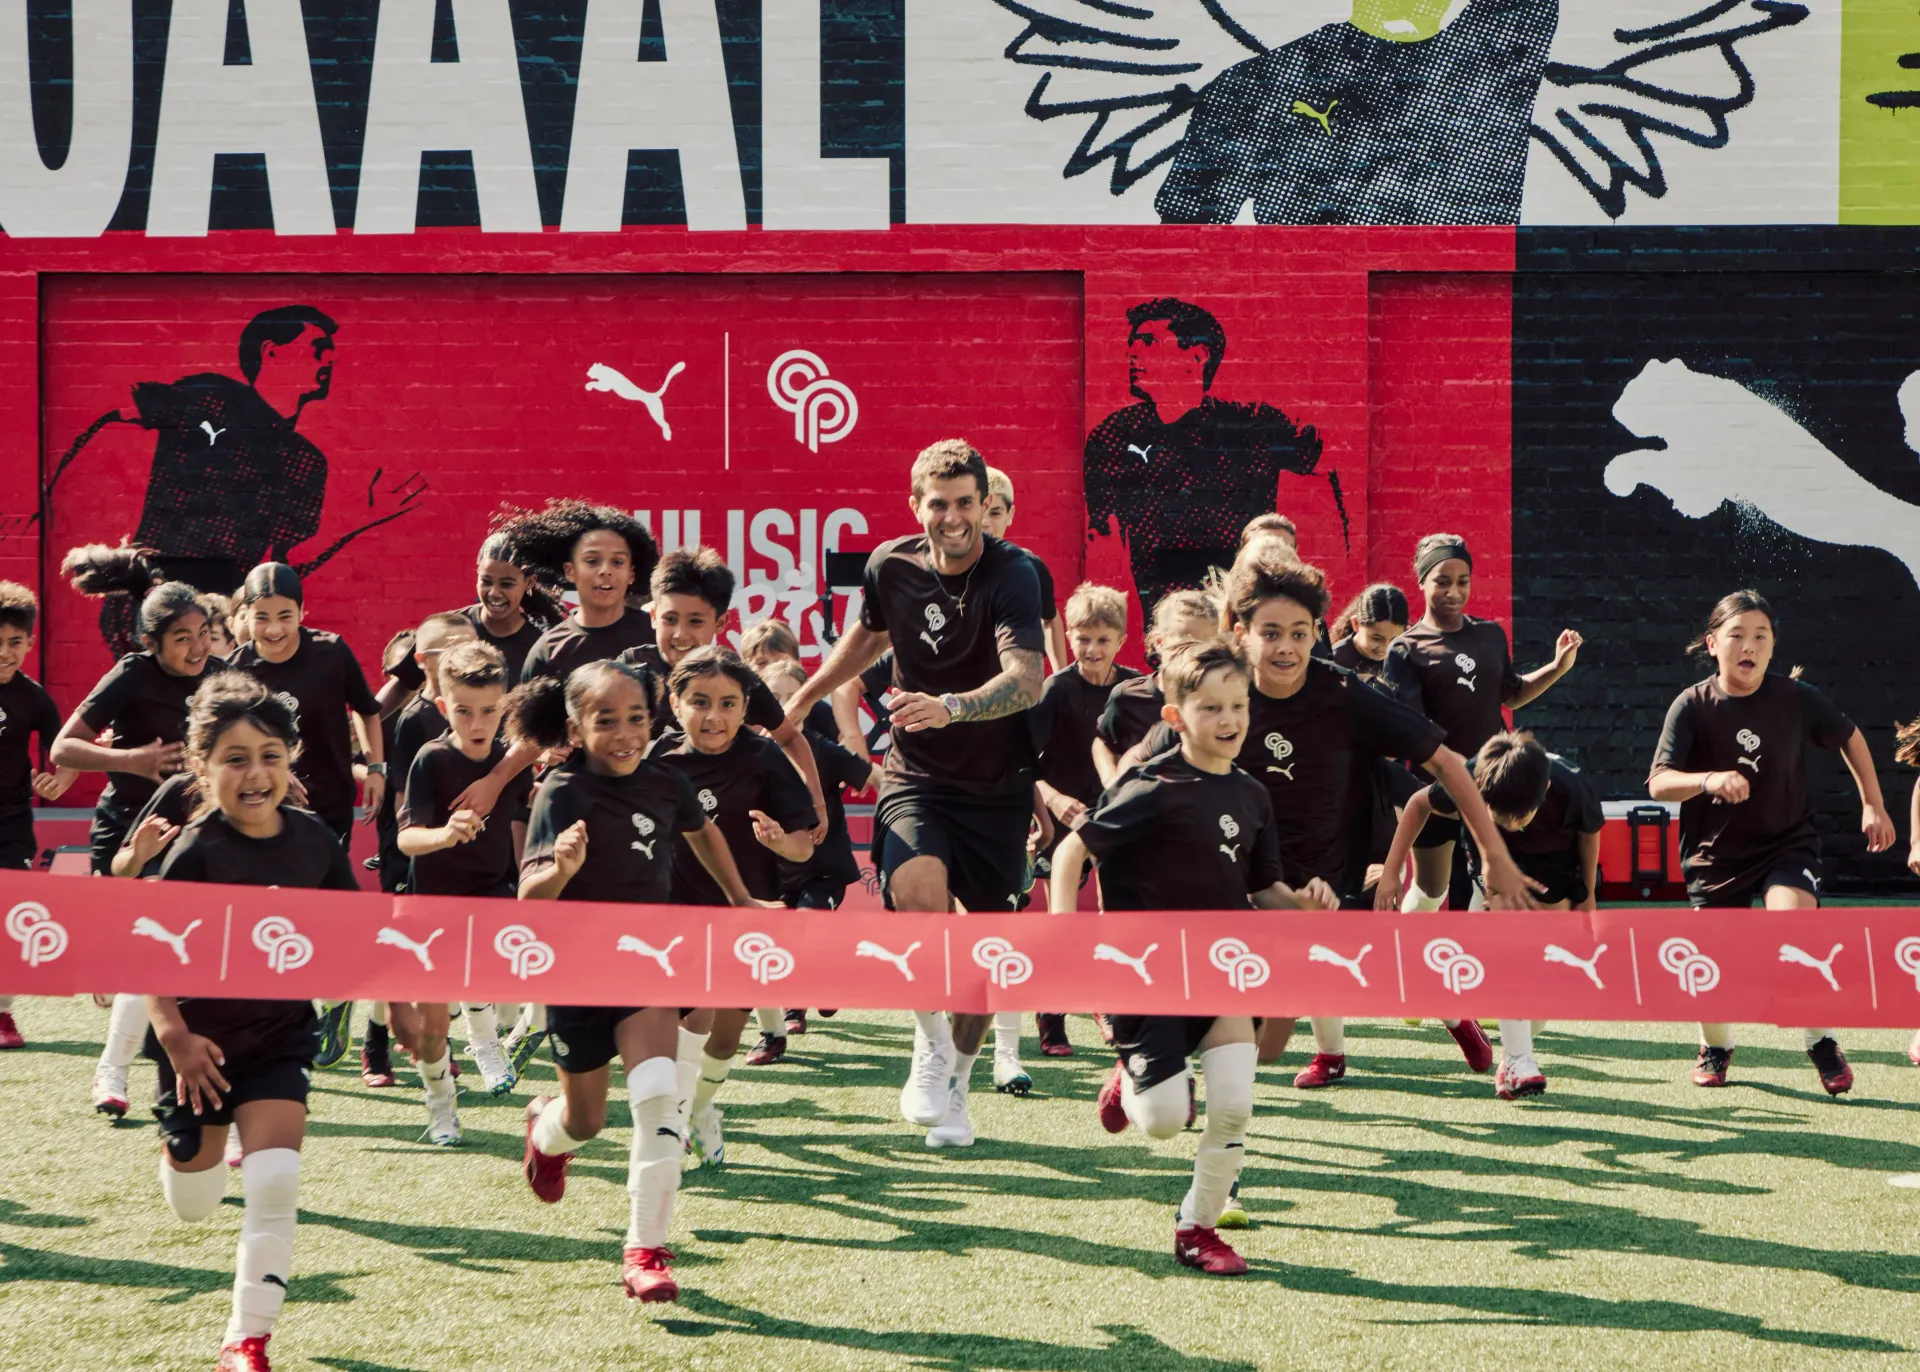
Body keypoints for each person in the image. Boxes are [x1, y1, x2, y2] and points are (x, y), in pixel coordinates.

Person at [781, 438, 1047, 1150]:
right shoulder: (889, 565)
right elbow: (867, 640)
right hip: (918, 777)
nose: (954, 516)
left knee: (985, 951)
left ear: (986, 505)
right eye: (940, 502)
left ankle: (957, 1079)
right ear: (916, 505)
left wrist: (952, 706)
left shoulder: (1016, 574)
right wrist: (803, 699)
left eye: (967, 503)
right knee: (922, 899)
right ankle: (929, 1048)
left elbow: (1028, 680)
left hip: (999, 787)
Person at [1047, 638, 1339, 1277]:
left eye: (1239, 705)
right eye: (1212, 708)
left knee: (1234, 1102)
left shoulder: (1254, 796)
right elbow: (1073, 852)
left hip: (1221, 972)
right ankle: (1131, 1079)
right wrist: (1064, 935)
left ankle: (1196, 1229)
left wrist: (1310, 913)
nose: (1231, 720)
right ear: (1176, 717)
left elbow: (1263, 891)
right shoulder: (1150, 786)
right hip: (1147, 981)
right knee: (1162, 1123)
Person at [511, 659, 766, 1305]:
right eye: (606, 721)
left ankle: (644, 1250)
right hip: (576, 978)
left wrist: (741, 898)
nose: (625, 734)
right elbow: (529, 900)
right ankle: (545, 1128)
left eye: (637, 719)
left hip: (649, 966)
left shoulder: (665, 781)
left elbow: (702, 830)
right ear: (575, 726)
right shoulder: (560, 793)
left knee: (659, 1102)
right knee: (586, 1121)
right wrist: (562, 869)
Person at [144, 672, 359, 1371]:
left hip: (276, 1039)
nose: (255, 773)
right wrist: (174, 1035)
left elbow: (355, 932)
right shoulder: (195, 851)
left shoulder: (315, 841)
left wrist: (408, 1005)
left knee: (274, 1182)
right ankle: (186, 1150)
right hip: (197, 1047)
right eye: (234, 759)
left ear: (291, 759)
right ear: (203, 768)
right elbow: (146, 946)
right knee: (196, 1201)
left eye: (269, 754)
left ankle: (247, 1338)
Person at [44, 305, 423, 645]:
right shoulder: (208, 396)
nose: (330, 359)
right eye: (318, 348)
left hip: (221, 614)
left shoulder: (305, 461)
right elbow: (113, 412)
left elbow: (285, 562)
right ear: (271, 350)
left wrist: (357, 523)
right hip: (147, 595)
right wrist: (50, 498)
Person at [1647, 590, 1895, 1094]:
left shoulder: (1794, 699)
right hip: (1714, 857)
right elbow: (1658, 782)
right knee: (1710, 965)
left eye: (1761, 636)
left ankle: (1821, 1041)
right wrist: (1710, 779)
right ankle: (1716, 1047)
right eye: (1737, 635)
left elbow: (1849, 735)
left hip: (1786, 842)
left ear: (1773, 647)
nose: (1749, 645)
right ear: (1713, 643)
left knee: (1796, 932)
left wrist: (1873, 802)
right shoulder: (1691, 706)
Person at [50, 573, 224, 1118]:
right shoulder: (129, 676)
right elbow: (64, 748)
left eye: (203, 632)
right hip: (129, 831)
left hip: (189, 832)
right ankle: (115, 1072)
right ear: (152, 643)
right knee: (146, 957)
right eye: (181, 638)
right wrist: (132, 761)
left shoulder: (222, 676)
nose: (197, 646)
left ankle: (149, 1077)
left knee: (167, 958)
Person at [1155, 0, 1559, 226]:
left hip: (1466, 323)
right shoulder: (1260, 85)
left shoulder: (1487, 68)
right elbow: (1187, 237)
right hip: (1315, 321)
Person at [649, 648, 817, 1156]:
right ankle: (671, 1128)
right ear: (675, 703)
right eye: (699, 702)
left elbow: (803, 843)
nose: (714, 716)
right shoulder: (656, 758)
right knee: (692, 1019)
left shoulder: (763, 758)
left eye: (727, 704)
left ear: (746, 707)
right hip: (677, 915)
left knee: (722, 1043)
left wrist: (778, 843)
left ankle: (699, 1106)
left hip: (749, 915)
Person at [1380, 730, 1603, 1099]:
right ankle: (1519, 1061)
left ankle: (1507, 1049)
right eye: (1500, 817)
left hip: (1553, 879)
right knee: (1510, 959)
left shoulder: (1572, 786)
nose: (1511, 826)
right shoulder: (1468, 777)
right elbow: (1419, 804)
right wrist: (1392, 871)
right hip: (1493, 881)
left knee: (1547, 996)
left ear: (1545, 791)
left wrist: (1589, 897)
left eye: (1521, 818)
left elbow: (1590, 832)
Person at [227, 562, 384, 1073]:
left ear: (303, 613)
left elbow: (367, 708)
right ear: (245, 615)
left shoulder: (331, 652)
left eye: (285, 616)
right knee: (271, 914)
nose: (273, 628)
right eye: (262, 616)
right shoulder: (234, 669)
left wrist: (376, 768)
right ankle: (287, 1015)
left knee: (319, 913)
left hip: (327, 806)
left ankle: (334, 997)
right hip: (262, 812)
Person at [1082, 298, 1335, 612]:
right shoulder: (1115, 435)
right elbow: (1100, 539)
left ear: (1197, 355)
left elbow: (1329, 464)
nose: (1132, 351)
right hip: (1161, 620)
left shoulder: (1250, 426)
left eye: (1149, 341)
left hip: (1240, 612)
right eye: (1133, 342)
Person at [1384, 534, 1581, 912]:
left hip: (1493, 789)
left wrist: (1558, 667)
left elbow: (1511, 694)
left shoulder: (1490, 634)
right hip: (1436, 791)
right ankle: (1404, 958)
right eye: (1442, 581)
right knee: (1431, 891)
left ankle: (1474, 966)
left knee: (1484, 886)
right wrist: (1455, 772)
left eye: (1463, 581)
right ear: (1422, 581)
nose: (1454, 591)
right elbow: (1411, 731)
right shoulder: (1405, 649)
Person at [396, 640, 534, 1113]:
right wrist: (444, 834)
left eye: (490, 711)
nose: (477, 724)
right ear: (442, 707)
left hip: (491, 891)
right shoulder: (431, 760)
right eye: (463, 711)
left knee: (484, 968)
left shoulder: (509, 763)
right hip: (433, 902)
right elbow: (406, 840)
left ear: (505, 708)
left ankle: (486, 1042)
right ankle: (441, 1106)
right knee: (432, 1028)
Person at [613, 546, 828, 832]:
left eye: (696, 621)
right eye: (670, 619)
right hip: (643, 818)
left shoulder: (733, 679)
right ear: (653, 615)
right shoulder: (629, 669)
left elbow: (790, 738)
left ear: (721, 622)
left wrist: (816, 804)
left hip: (716, 821)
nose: (681, 634)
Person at [1029, 581, 1140, 1056]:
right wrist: (1053, 802)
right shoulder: (1056, 689)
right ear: (1068, 636)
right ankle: (1051, 1013)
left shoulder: (1135, 688)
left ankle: (1110, 1006)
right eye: (1082, 637)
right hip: (1064, 823)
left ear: (1121, 639)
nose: (1092, 648)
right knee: (1062, 927)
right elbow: (1023, 763)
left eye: (1102, 639)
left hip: (1118, 820)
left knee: (1113, 919)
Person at [757, 659, 883, 1047]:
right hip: (774, 874)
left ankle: (807, 992)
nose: (781, 707)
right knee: (778, 940)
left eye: (790, 698)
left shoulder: (823, 750)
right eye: (772, 698)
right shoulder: (751, 753)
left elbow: (877, 779)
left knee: (806, 927)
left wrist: (909, 808)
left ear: (807, 704)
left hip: (823, 870)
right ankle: (800, 1002)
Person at [0, 581, 76, 1050]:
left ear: (29, 642)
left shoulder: (34, 699)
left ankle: (3, 1014)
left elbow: (65, 749)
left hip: (10, 824)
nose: (5, 652)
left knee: (10, 917)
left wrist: (61, 779)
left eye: (14, 642)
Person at [510, 501, 662, 684]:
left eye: (618, 562)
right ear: (570, 571)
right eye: (592, 561)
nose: (605, 570)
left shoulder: (658, 634)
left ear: (631, 573)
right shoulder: (547, 653)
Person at [1093, 590, 1219, 788]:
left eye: (1206, 647)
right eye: (1186, 644)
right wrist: (1112, 782)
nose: (1195, 655)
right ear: (1159, 643)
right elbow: (1103, 742)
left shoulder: (1221, 699)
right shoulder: (1128, 696)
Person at [983, 466, 1069, 673]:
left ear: (1010, 515)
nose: (985, 523)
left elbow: (1050, 617)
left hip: (1013, 692)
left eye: (996, 513)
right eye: (980, 512)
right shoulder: (945, 565)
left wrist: (1061, 677)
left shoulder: (1029, 566)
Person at [1329, 583, 1410, 687]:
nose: (1385, 648)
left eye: (1394, 639)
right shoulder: (1334, 663)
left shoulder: (1406, 656)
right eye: (1376, 638)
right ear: (1356, 624)